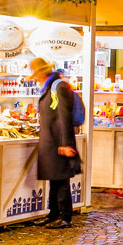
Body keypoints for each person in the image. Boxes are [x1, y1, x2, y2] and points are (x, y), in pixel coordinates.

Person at [30, 57, 80, 229]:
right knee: (54, 178)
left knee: (61, 179)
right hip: (51, 141)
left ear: (42, 73)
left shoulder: (58, 87)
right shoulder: (50, 87)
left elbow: (64, 115)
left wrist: (66, 144)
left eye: (36, 74)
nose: (34, 78)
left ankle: (66, 217)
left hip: (59, 141)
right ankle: (53, 213)